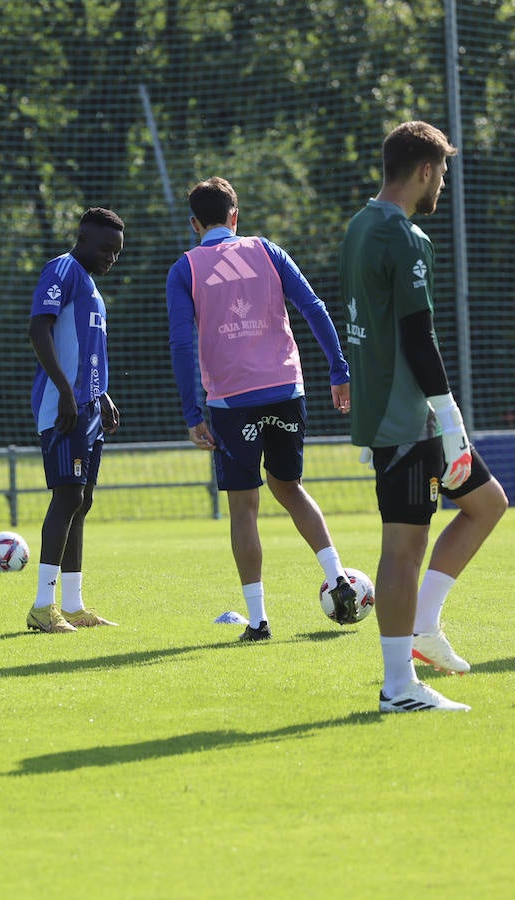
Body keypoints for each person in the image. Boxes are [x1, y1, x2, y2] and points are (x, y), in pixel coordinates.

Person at [339, 120, 508, 713]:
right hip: (406, 420)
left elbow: (370, 326)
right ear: (424, 170)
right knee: (403, 551)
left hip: (394, 414)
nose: (443, 184)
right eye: (442, 172)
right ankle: (398, 687)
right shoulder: (406, 239)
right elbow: (416, 336)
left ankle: (423, 627)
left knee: (487, 504)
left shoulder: (359, 225)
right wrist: (450, 414)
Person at [166, 177, 358, 642]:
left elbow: (180, 342)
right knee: (290, 488)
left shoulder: (185, 268)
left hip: (231, 401)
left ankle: (258, 621)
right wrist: (339, 370)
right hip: (286, 389)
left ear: (195, 224)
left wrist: (193, 412)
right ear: (236, 215)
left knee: (243, 508)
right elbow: (313, 307)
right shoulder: (268, 250)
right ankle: (339, 580)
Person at [26, 208, 125, 632]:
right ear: (82, 237)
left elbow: (87, 351)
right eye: (105, 247)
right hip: (62, 406)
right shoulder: (62, 270)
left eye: (117, 251)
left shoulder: (91, 287)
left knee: (81, 503)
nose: (111, 257)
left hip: (87, 408)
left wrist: (101, 396)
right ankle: (41, 607)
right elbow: (38, 329)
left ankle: (73, 604)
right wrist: (67, 391)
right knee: (66, 497)